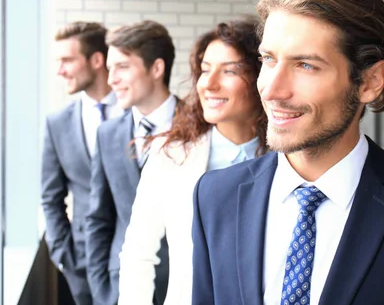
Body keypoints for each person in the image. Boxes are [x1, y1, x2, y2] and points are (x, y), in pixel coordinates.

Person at [191, 0, 384, 305]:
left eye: (306, 65)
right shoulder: (215, 197)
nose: (271, 90)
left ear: (369, 81)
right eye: (268, 59)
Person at [118, 16, 268, 305]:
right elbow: (138, 252)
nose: (209, 84)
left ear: (261, 76)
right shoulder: (171, 153)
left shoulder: (288, 157)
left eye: (230, 71)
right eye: (204, 70)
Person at [84, 20, 177, 305]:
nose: (111, 79)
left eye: (122, 67)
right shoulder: (108, 134)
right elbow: (99, 218)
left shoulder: (201, 129)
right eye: (110, 68)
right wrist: (102, 290)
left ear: (157, 68)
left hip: (184, 285)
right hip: (121, 288)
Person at [41, 21, 120, 305]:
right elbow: (51, 197)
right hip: (82, 264)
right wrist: (63, 254)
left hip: (138, 257)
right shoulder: (57, 124)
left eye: (67, 60)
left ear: (97, 60)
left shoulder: (136, 112)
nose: (60, 70)